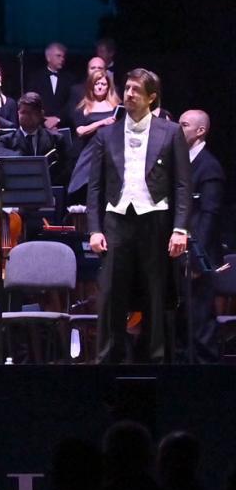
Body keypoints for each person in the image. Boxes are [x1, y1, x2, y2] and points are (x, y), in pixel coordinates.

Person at [83, 68, 193, 365]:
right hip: (116, 220)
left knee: (155, 294)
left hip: (155, 220)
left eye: (136, 91)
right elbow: (95, 187)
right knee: (110, 295)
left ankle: (156, 363)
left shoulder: (170, 132)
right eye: (128, 88)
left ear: (151, 98)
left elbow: (182, 184)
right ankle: (107, 363)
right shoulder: (107, 134)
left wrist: (180, 228)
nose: (129, 94)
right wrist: (94, 230)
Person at [177, 109, 226, 365]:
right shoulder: (180, 161)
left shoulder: (209, 167)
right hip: (177, 256)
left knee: (200, 328)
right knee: (180, 328)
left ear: (200, 131)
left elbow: (209, 216)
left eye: (183, 125)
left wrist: (198, 260)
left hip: (198, 259)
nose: (177, 128)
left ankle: (207, 387)